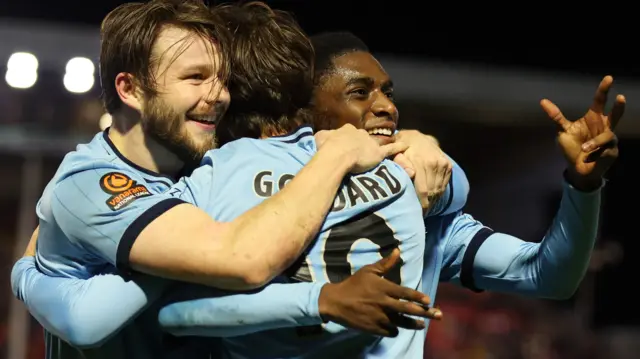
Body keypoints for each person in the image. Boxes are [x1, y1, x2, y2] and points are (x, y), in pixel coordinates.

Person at [11, 2, 461, 358]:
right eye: (195, 78)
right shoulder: (93, 184)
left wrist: (420, 145)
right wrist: (24, 275)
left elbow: (453, 189)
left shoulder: (207, 167)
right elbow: (240, 259)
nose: (218, 95)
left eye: (223, 79)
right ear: (131, 90)